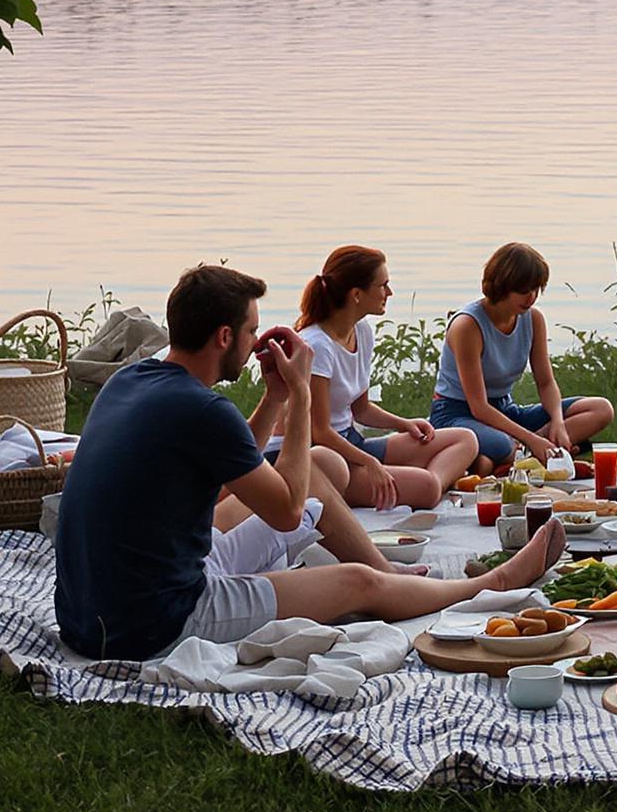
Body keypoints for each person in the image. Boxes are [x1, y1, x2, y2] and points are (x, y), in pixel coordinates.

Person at [56, 263, 566, 661]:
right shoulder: (200, 408)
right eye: (251, 331)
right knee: (354, 584)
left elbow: (231, 463)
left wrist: (275, 398)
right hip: (152, 622)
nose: (257, 342)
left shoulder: (135, 379)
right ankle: (486, 587)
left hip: (89, 610)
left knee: (315, 475)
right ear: (224, 337)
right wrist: (300, 398)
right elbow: (286, 512)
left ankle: (391, 574)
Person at [291, 245, 480, 509]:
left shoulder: (362, 331)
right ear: (356, 294)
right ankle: (424, 485)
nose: (389, 293)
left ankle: (424, 483)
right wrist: (370, 463)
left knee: (465, 439)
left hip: (351, 443)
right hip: (323, 460)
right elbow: (320, 432)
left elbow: (362, 409)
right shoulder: (317, 347)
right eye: (383, 285)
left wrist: (405, 424)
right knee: (426, 487)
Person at [427, 242, 611, 473]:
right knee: (499, 445)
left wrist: (558, 423)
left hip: (505, 410)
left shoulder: (533, 319)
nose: (531, 297)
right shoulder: (468, 326)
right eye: (524, 291)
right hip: (457, 414)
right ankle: (529, 453)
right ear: (503, 286)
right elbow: (479, 408)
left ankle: (518, 456)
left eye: (537, 289)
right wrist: (532, 440)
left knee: (601, 409)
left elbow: (546, 383)